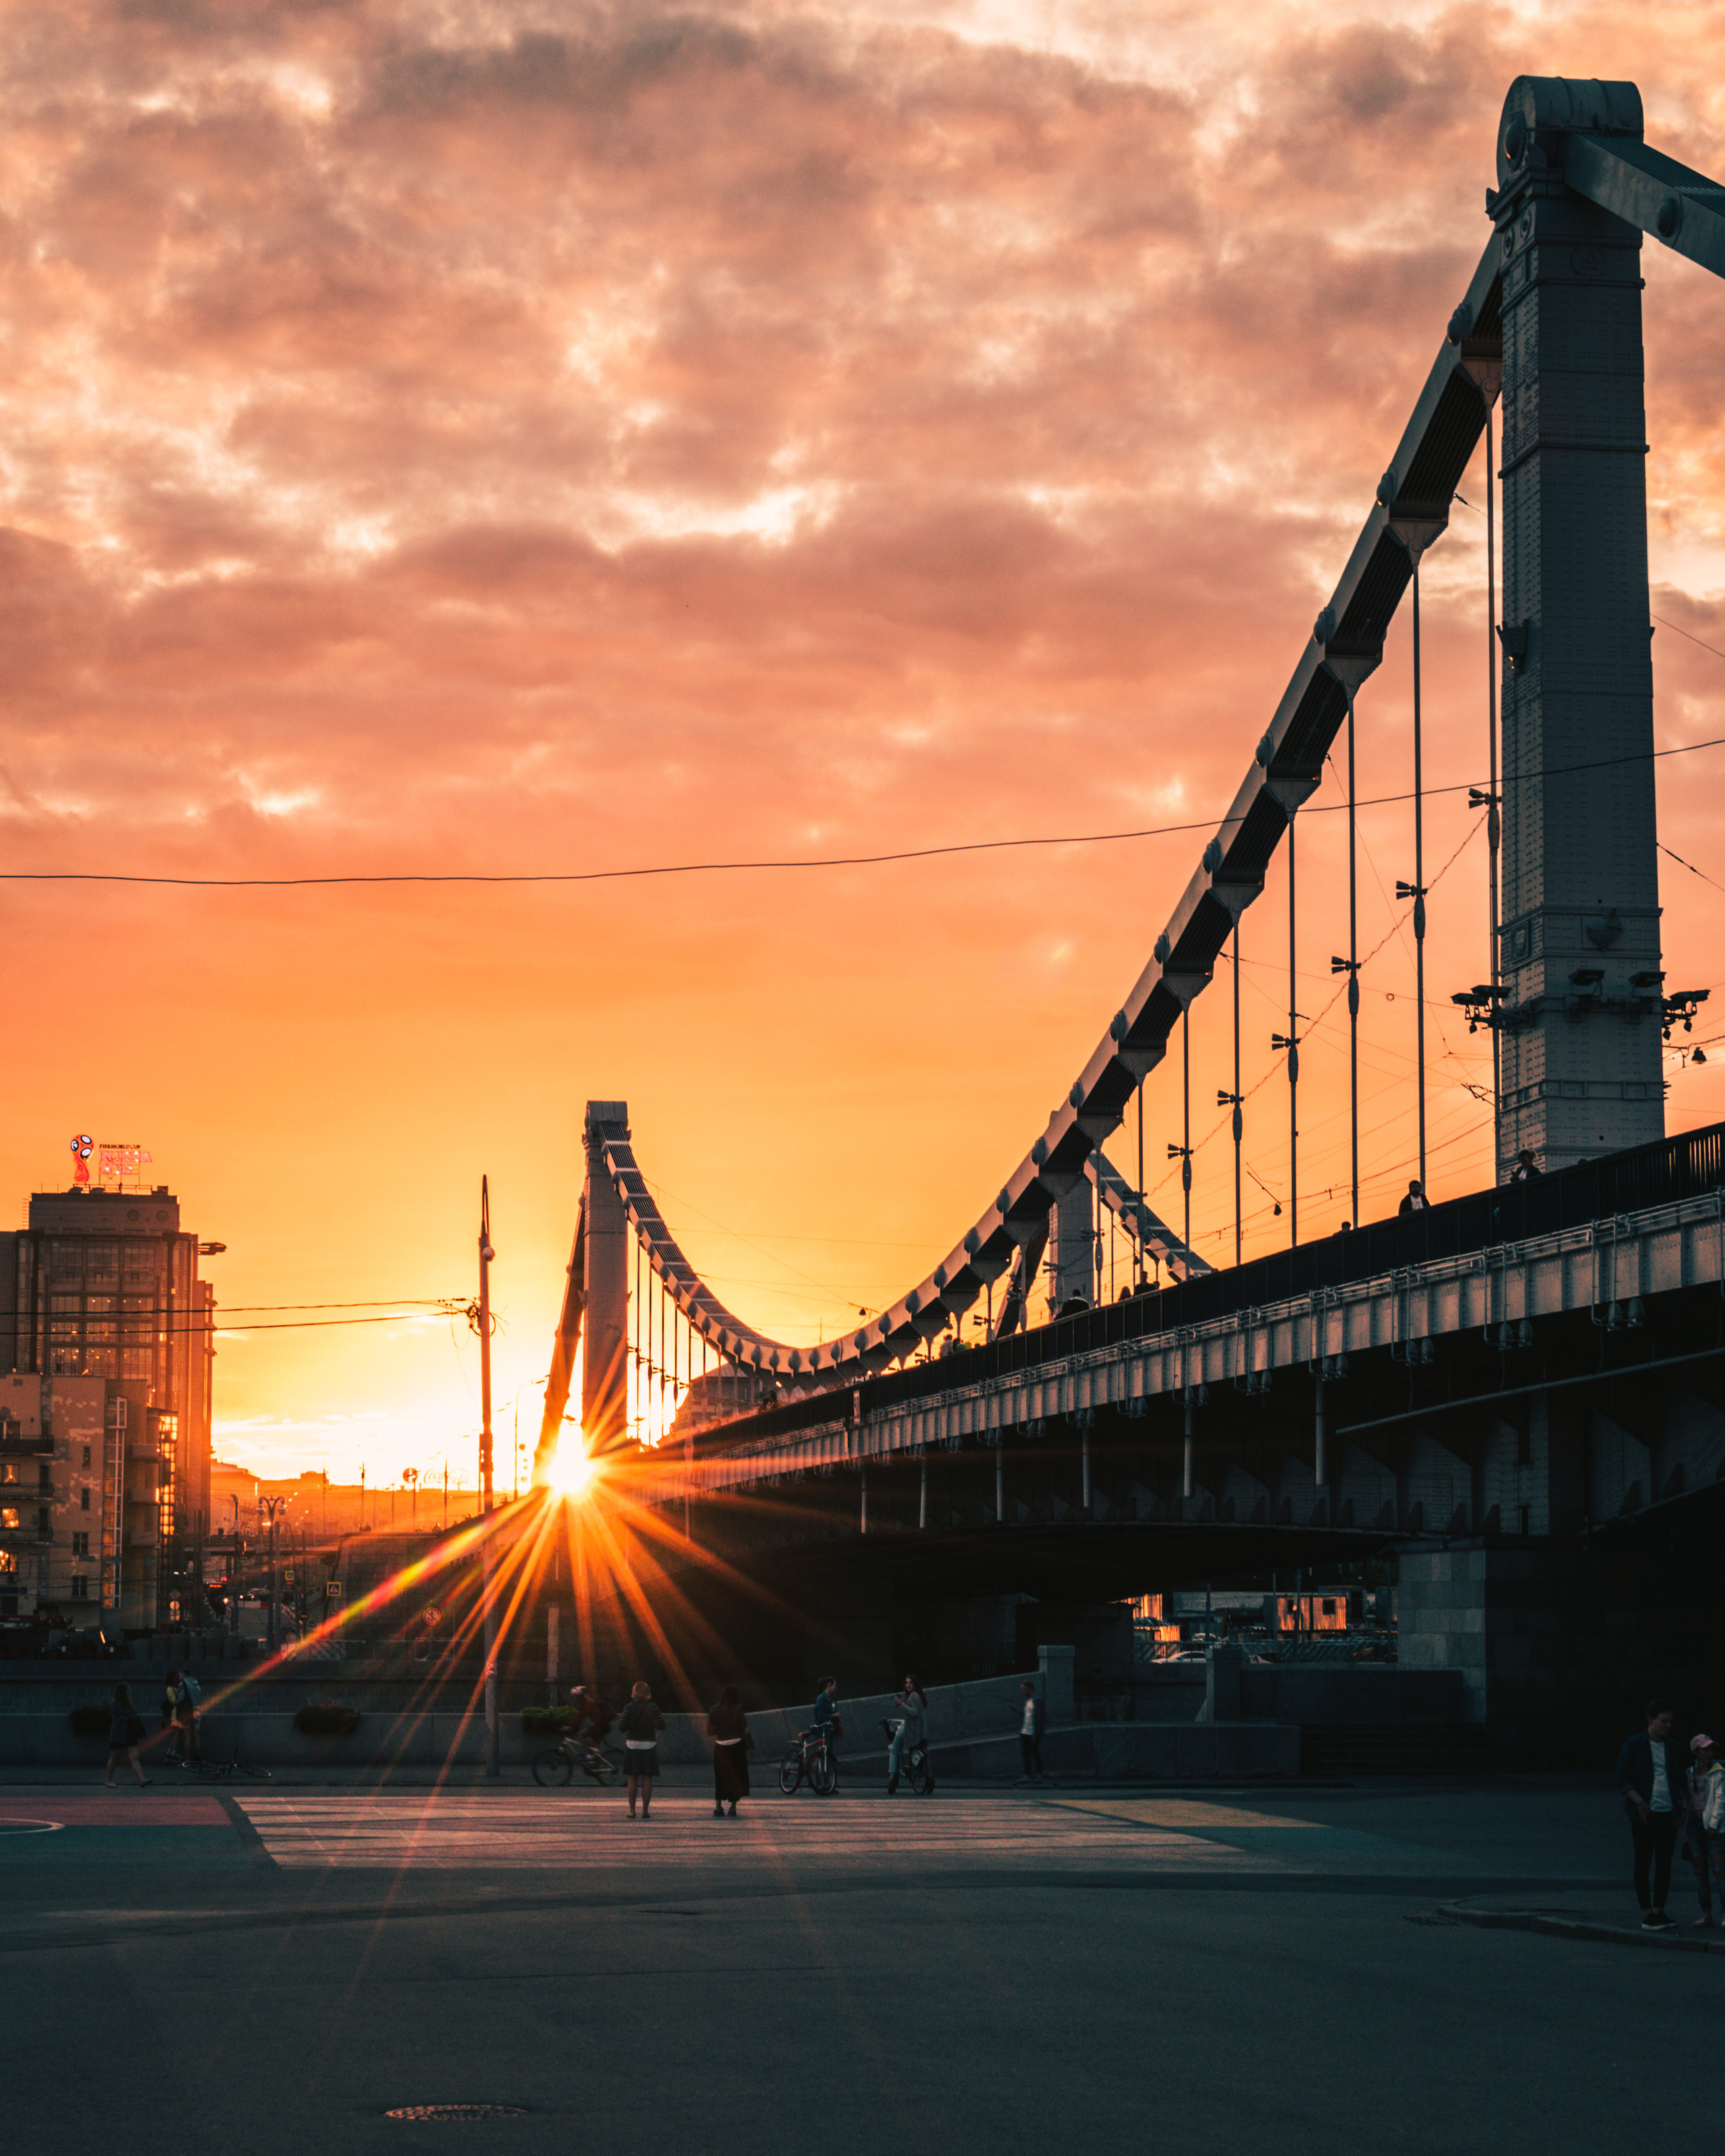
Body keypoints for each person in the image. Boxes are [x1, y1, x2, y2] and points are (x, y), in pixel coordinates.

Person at [1615, 1698, 1689, 1928]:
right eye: (1663, 1721)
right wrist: (1639, 1802)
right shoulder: (1635, 1744)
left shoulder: (1674, 1748)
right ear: (1651, 1720)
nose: (1668, 1726)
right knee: (1644, 1861)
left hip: (1668, 1812)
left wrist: (1683, 1810)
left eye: (1670, 1722)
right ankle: (1647, 1912)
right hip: (1645, 1813)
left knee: (1664, 1863)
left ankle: (1660, 1910)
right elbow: (1622, 1776)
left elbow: (1681, 1781)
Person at [617, 1680, 665, 1819]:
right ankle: (645, 1810)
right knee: (647, 1778)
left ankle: (632, 1810)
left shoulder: (628, 1708)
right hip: (649, 1745)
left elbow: (622, 1728)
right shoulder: (653, 1707)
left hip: (632, 1745)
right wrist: (652, 1724)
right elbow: (662, 1725)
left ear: (634, 1692)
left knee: (632, 1779)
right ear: (647, 1693)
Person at [1686, 1735, 1718, 1928]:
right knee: (1700, 1872)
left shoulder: (1718, 1772)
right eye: (1705, 1750)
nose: (1709, 1753)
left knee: (1719, 1870)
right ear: (1696, 1752)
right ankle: (1707, 1914)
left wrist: (1714, 1822)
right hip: (1695, 1823)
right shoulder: (1690, 1773)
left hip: (1712, 1823)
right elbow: (1687, 1797)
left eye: (1711, 1750)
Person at [707, 1684, 751, 1817]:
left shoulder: (714, 1709)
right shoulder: (737, 1710)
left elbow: (709, 1731)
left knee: (720, 1777)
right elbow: (744, 1726)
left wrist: (719, 1731)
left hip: (720, 1747)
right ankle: (733, 1807)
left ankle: (718, 1806)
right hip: (736, 1746)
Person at [104, 1682, 151, 1788]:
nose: (129, 1692)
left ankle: (142, 1779)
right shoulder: (116, 1702)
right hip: (119, 1734)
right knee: (115, 1757)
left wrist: (129, 1717)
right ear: (122, 1692)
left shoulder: (128, 1703)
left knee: (135, 1757)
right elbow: (128, 1714)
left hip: (129, 1733)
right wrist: (129, 1717)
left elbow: (134, 1716)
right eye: (127, 1690)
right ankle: (108, 1780)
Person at [887, 1675, 927, 1795]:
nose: (908, 1685)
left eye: (910, 1683)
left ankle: (892, 1776)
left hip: (909, 1727)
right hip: (918, 1729)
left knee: (894, 1749)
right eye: (906, 1683)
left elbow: (914, 1712)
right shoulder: (919, 1695)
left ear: (915, 1685)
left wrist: (902, 1704)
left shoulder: (913, 1696)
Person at [567, 1682, 615, 1765]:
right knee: (594, 1747)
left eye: (575, 1697)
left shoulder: (588, 1703)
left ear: (579, 1696)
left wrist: (571, 1727)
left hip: (602, 1726)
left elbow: (580, 1716)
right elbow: (580, 1715)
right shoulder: (586, 1702)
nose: (574, 1699)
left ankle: (589, 1756)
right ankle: (597, 1767)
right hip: (602, 1726)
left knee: (582, 1735)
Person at [1017, 1679, 1046, 1783]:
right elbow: (1029, 1716)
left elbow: (1039, 1719)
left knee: (1034, 1753)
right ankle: (1027, 1775)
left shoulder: (1037, 1702)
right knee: (1026, 1754)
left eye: (1024, 1690)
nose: (1023, 1692)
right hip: (1025, 1732)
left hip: (1032, 1733)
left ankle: (1039, 1775)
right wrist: (1021, 1713)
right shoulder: (1028, 1702)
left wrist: (1036, 1734)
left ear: (1030, 1689)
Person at [175, 1668, 203, 1765]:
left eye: (180, 1674)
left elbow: (181, 1698)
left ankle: (187, 1759)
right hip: (197, 1712)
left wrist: (176, 1701)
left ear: (184, 1674)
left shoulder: (183, 1684)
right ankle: (198, 1756)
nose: (179, 1677)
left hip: (187, 1713)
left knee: (188, 1736)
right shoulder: (197, 1684)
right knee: (196, 1735)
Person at [812, 1676, 840, 1765]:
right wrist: (833, 1715)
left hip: (832, 1729)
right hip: (822, 1730)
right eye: (834, 1685)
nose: (835, 1688)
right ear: (829, 1686)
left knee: (830, 1755)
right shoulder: (821, 1699)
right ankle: (820, 1777)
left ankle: (827, 1777)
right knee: (822, 1756)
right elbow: (820, 1717)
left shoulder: (833, 1698)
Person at [161, 1669, 181, 1761]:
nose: (178, 1678)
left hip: (177, 1714)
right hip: (174, 1715)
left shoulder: (175, 1688)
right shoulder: (170, 1689)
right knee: (177, 1732)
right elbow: (173, 1702)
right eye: (176, 1677)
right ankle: (171, 1752)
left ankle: (171, 1752)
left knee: (177, 1733)